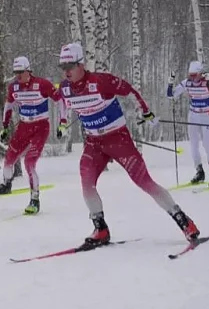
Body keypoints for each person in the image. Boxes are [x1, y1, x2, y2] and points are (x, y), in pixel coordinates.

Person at [56, 43, 201, 247]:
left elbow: (130, 91)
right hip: (93, 143)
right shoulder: (65, 88)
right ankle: (101, 228)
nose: (66, 72)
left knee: (144, 182)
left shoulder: (100, 81)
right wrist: (62, 123)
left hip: (117, 139)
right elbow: (62, 102)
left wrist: (145, 111)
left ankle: (184, 221)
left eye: (70, 66)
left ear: (81, 64)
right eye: (63, 67)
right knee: (86, 183)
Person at [0, 56, 64, 215]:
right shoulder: (14, 87)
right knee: (8, 159)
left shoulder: (41, 84)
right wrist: (5, 126)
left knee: (29, 162)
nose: (18, 76)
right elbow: (8, 105)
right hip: (24, 127)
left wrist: (62, 122)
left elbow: (60, 100)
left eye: (21, 72)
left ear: (28, 71)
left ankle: (35, 199)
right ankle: (6, 185)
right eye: (16, 73)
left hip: (40, 128)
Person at [167, 60, 209, 187]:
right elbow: (171, 95)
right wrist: (170, 82)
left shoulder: (208, 81)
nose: (192, 78)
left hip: (207, 116)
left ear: (201, 73)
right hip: (193, 115)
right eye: (190, 75)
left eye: (194, 75)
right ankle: (199, 172)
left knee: (207, 145)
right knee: (193, 145)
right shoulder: (187, 82)